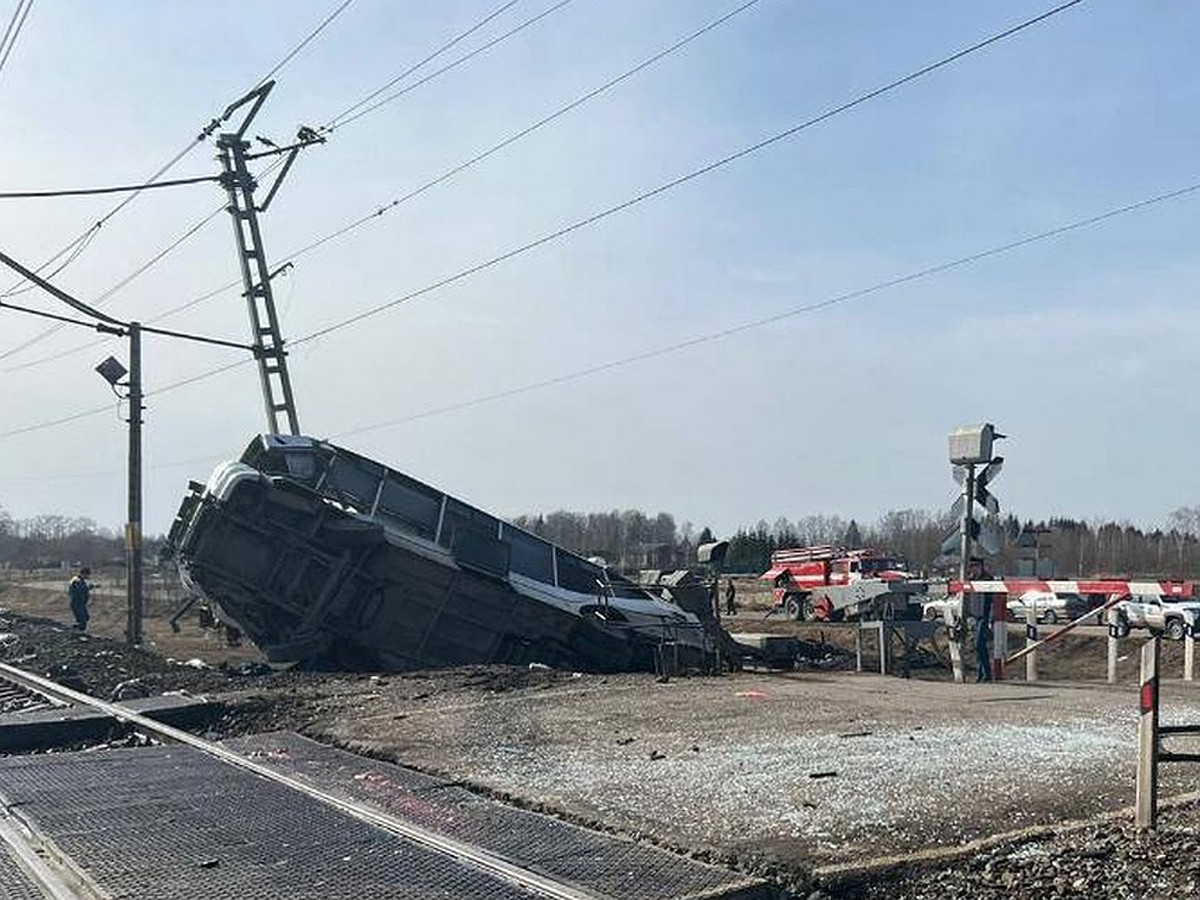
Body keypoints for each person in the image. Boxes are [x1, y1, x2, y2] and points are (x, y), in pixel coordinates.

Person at [68, 567, 92, 632]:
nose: (88, 576)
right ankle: (80, 632)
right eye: (87, 575)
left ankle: (76, 629)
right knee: (82, 619)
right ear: (83, 574)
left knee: (85, 617)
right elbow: (80, 590)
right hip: (77, 602)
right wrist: (88, 587)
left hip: (81, 602)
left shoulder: (80, 580)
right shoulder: (76, 580)